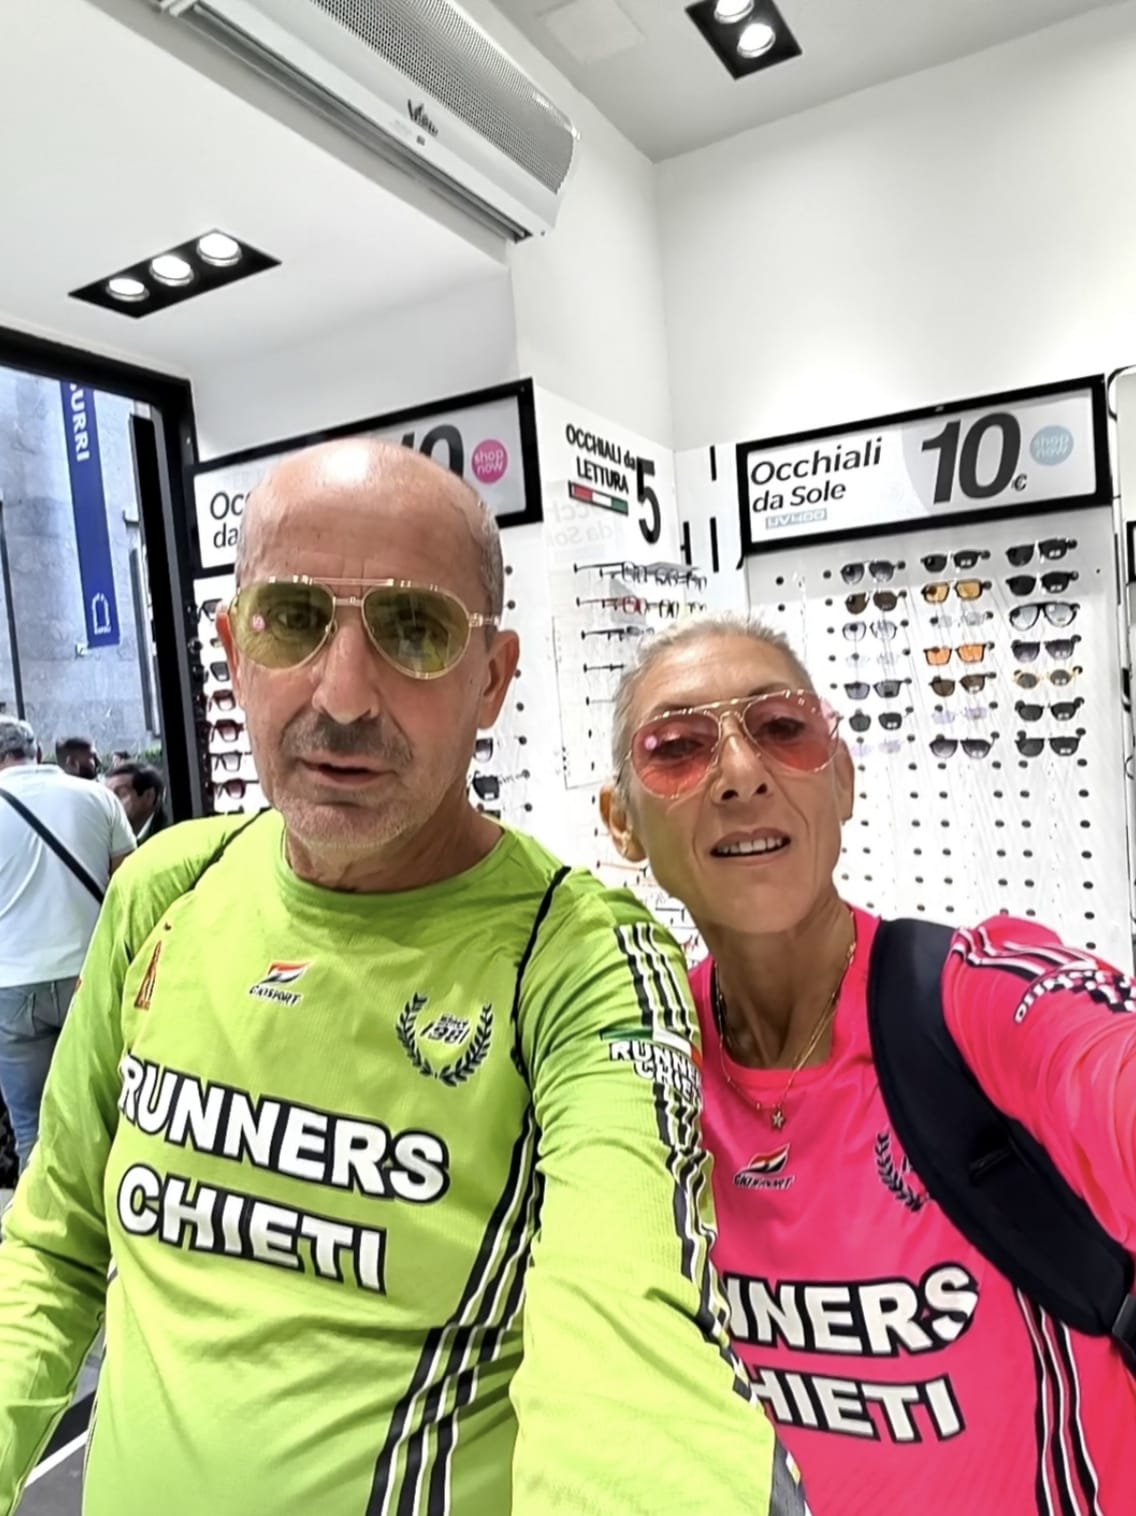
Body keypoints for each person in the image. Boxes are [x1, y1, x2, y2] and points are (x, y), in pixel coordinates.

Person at [0, 445, 808, 1516]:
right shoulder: (166, 890)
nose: (342, 695)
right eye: (292, 620)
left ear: (493, 679)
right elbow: (54, 1248)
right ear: (232, 649)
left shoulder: (580, 962)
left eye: (415, 630)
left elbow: (627, 1344)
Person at [601, 611, 1136, 1516]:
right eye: (678, 748)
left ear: (842, 779)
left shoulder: (971, 1000)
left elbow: (1100, 1066)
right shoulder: (642, 1068)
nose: (741, 774)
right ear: (623, 823)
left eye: (783, 728)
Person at [0, 719, 135, 1171]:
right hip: (92, 977)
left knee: (33, 1130)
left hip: (12, 989)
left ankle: (41, 1214)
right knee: (114, 1116)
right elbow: (131, 887)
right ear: (37, 752)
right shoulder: (97, 797)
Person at [106, 760, 169, 841]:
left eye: (120, 794)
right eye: (107, 796)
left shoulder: (168, 836)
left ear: (149, 796)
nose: (110, 802)